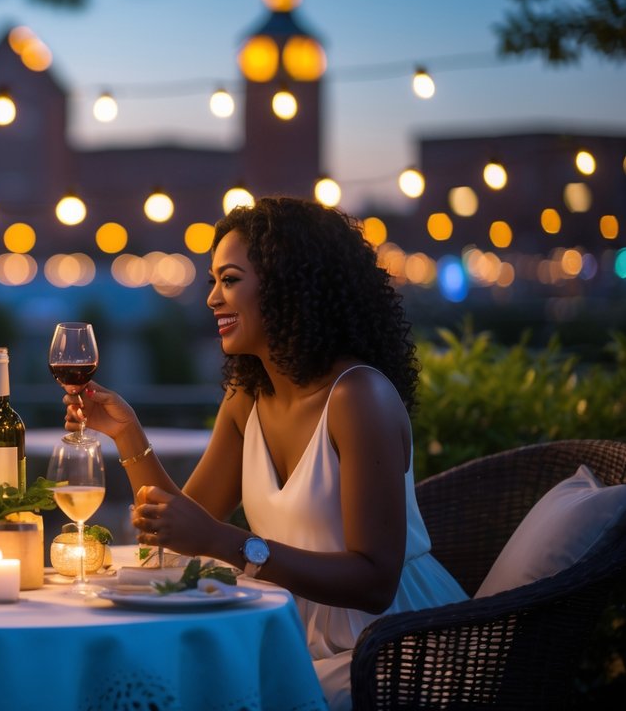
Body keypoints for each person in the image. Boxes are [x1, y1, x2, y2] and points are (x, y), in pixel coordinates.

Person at [65, 196, 467, 710]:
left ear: (288, 285)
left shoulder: (358, 397)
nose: (211, 298)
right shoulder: (246, 400)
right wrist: (125, 434)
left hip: (390, 648)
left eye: (229, 280)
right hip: (285, 635)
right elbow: (185, 528)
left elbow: (375, 581)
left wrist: (231, 544)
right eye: (212, 281)